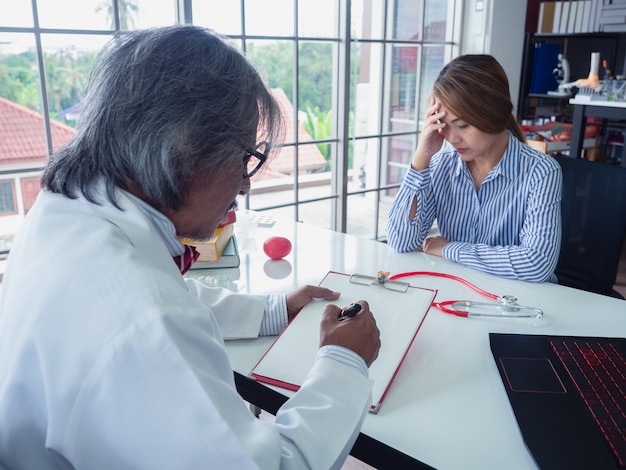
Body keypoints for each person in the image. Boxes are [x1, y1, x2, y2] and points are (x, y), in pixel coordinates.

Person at [0, 25, 381, 469]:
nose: (244, 183)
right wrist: (344, 362)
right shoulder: (144, 323)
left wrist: (274, 310)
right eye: (244, 158)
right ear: (184, 149)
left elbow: (165, 293)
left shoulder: (63, 211)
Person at [387, 54, 562, 283]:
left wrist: (451, 249)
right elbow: (401, 241)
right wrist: (421, 158)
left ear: (493, 113)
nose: (452, 138)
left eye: (462, 125)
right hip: (460, 295)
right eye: (444, 126)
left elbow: (536, 264)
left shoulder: (541, 172)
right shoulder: (441, 165)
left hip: (519, 302)